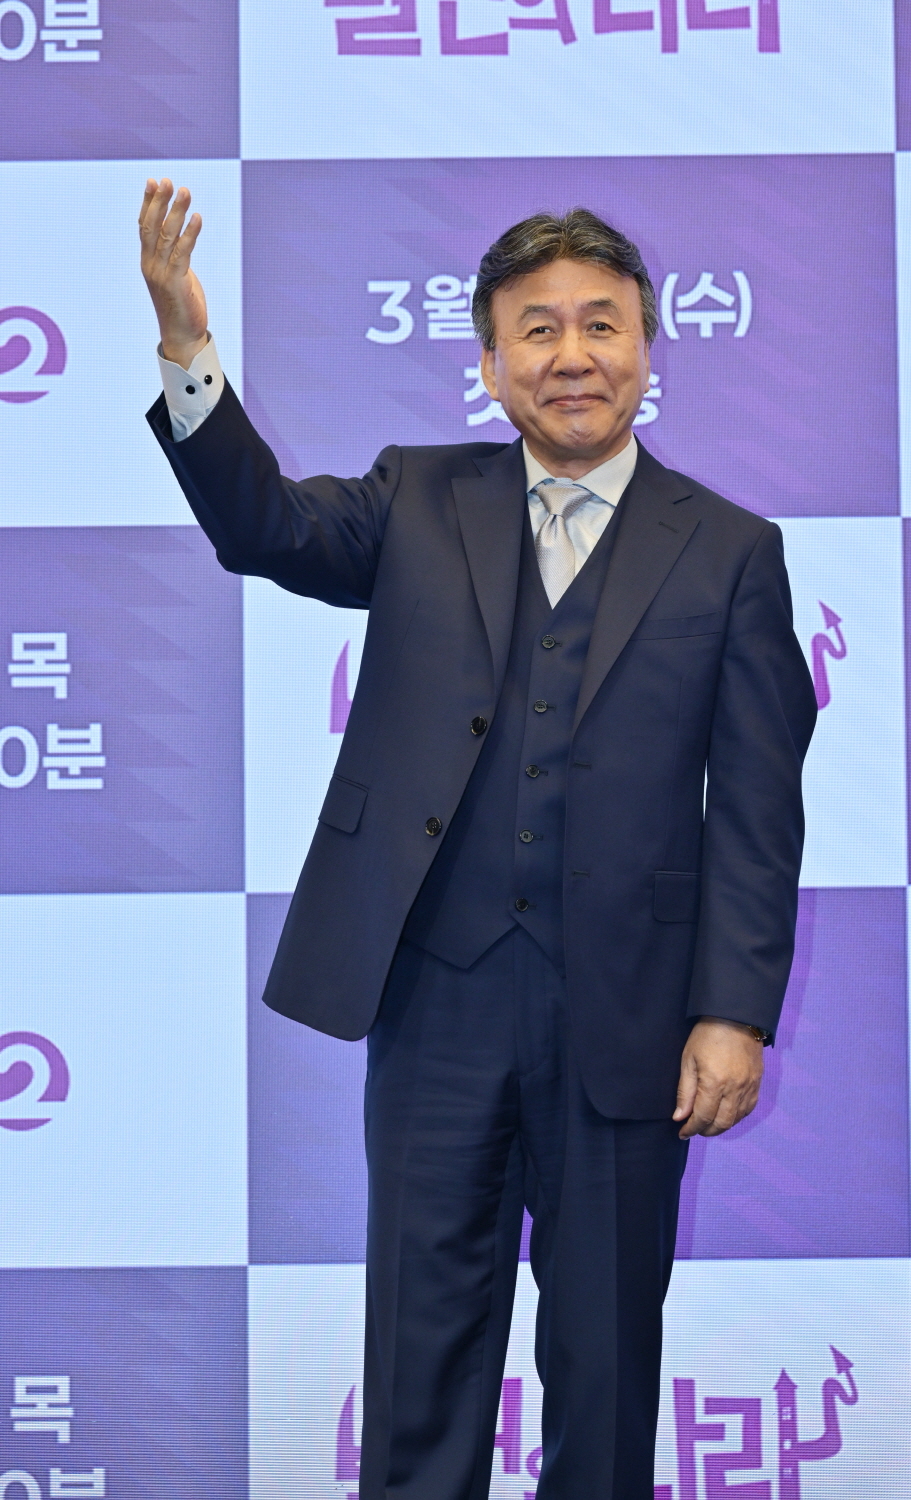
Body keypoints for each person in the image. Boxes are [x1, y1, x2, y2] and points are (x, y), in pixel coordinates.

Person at [139, 179, 816, 1500]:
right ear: (493, 366)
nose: (573, 355)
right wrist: (185, 343)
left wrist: (734, 1012)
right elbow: (262, 526)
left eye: (602, 324)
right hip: (437, 1002)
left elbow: (756, 808)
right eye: (538, 330)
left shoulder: (733, 551)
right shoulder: (418, 496)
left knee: (606, 1367)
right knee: (421, 1359)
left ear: (648, 347)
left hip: (629, 1015)